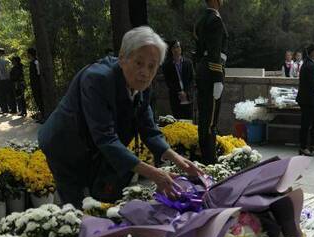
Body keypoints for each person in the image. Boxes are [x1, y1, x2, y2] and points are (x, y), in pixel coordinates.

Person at [38, 26, 202, 208]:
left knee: (100, 198)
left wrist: (178, 159)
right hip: (65, 145)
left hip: (94, 148)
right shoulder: (97, 79)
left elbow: (149, 129)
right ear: (123, 58)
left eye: (152, 66)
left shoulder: (143, 86)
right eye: (139, 63)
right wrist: (155, 174)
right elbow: (106, 138)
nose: (145, 73)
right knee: (76, 203)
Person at [194, 0, 228, 165]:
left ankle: (205, 155)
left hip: (203, 70)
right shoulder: (215, 20)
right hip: (212, 72)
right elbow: (215, 51)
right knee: (210, 120)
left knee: (204, 117)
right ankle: (209, 160)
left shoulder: (201, 19)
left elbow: (199, 52)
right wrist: (217, 78)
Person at [162, 40, 194, 120]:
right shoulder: (167, 65)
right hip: (175, 97)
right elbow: (168, 82)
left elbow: (192, 79)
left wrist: (186, 92)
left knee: (188, 121)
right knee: (177, 121)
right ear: (171, 50)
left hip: (188, 96)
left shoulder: (188, 63)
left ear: (181, 49)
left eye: (178, 47)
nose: (176, 49)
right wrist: (179, 92)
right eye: (174, 47)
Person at [0, 48, 16, 114]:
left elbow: (0, 69)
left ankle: (5, 110)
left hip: (3, 79)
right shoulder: (8, 60)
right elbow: (10, 69)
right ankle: (13, 109)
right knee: (10, 94)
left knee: (2, 95)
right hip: (9, 79)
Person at [27, 48, 44, 122]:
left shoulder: (36, 62)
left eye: (27, 53)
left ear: (30, 54)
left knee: (40, 101)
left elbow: (39, 73)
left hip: (37, 85)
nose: (27, 55)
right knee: (37, 101)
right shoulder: (32, 62)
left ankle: (44, 116)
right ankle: (42, 116)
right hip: (34, 85)